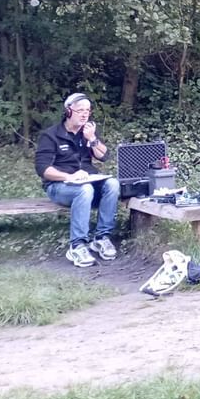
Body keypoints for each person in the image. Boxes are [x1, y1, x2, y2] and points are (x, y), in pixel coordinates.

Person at [34, 92, 121, 267]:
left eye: (87, 111)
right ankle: (77, 245)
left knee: (113, 183)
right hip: (60, 186)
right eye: (80, 110)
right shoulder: (51, 135)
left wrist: (92, 139)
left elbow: (105, 156)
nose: (84, 114)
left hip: (88, 182)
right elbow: (42, 169)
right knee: (84, 189)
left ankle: (102, 238)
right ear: (68, 111)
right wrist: (69, 176)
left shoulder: (88, 132)